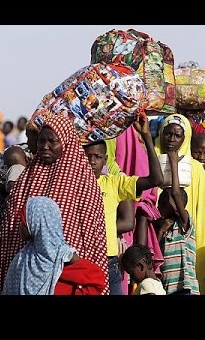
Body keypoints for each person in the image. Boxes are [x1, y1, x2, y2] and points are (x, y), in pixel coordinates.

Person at [0, 115, 108, 294]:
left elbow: (92, 231)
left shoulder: (83, 179)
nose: (44, 146)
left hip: (67, 271)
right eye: (41, 140)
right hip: (25, 266)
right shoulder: (28, 176)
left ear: (65, 141)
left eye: (52, 141)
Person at [83, 113, 163, 295]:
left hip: (109, 260)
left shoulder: (113, 183)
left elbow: (156, 179)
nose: (92, 161)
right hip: (85, 260)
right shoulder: (73, 184)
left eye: (97, 157)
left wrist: (147, 137)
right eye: (88, 156)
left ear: (105, 160)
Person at [155, 114, 205, 295]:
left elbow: (204, 212)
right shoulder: (151, 161)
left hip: (185, 238)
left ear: (185, 138)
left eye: (177, 135)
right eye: (168, 134)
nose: (172, 140)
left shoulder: (195, 168)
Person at [2, 196, 106, 295]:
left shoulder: (61, 257)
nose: (20, 226)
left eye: (24, 220)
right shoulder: (24, 257)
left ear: (37, 221)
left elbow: (96, 279)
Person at [156, 150, 199, 295]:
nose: (158, 206)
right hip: (167, 287)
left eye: (162, 203)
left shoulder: (185, 224)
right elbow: (155, 253)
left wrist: (174, 164)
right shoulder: (162, 227)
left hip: (185, 287)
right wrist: (161, 231)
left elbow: (175, 193)